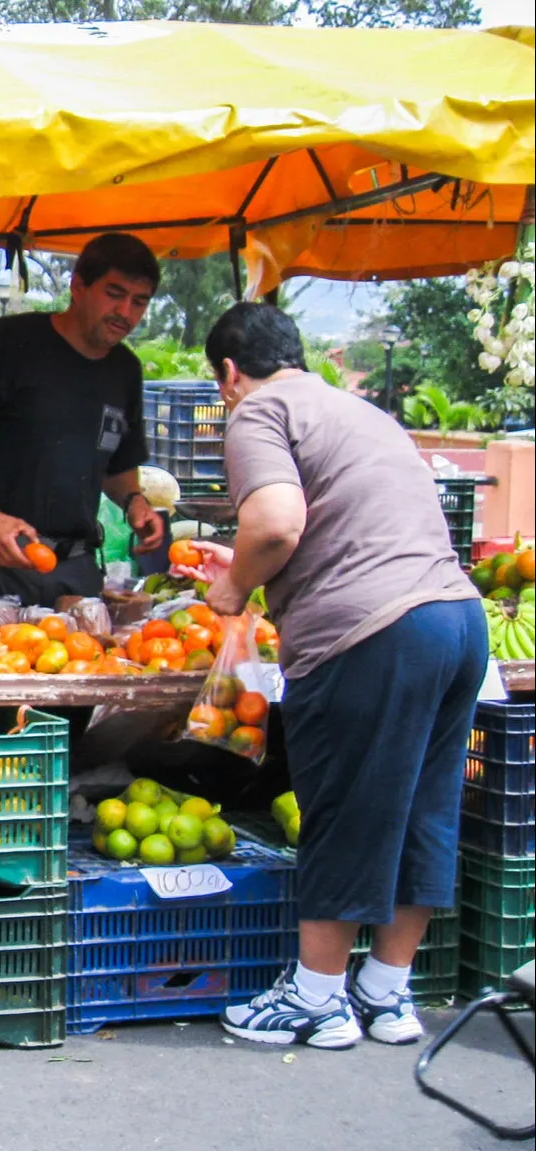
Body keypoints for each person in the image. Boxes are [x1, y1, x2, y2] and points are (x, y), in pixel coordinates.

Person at [180, 303, 484, 1050]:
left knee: (346, 808)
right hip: (454, 619)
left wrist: (231, 590)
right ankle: (385, 991)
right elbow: (336, 524)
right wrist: (247, 561)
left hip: (371, 632)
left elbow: (279, 523)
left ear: (227, 371)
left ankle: (315, 996)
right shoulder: (358, 410)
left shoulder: (258, 409)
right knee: (420, 809)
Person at [0, 232, 168, 604]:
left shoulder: (126, 370)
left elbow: (117, 468)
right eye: (114, 293)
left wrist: (135, 501)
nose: (125, 312)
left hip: (74, 570)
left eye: (139, 302)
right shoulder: (9, 342)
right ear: (78, 286)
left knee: (83, 663)